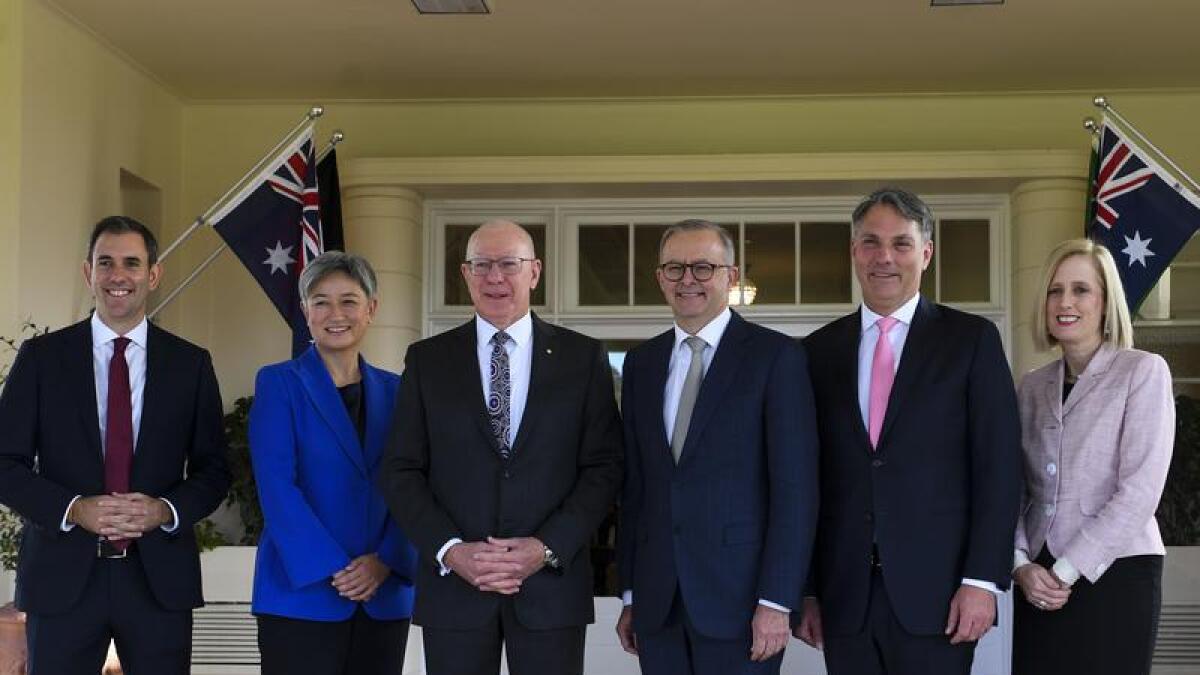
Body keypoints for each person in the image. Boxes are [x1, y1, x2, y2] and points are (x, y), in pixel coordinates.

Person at [379, 219, 623, 675]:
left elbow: (604, 468)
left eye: (508, 264)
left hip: (551, 588)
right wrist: (451, 550)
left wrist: (546, 547)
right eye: (482, 265)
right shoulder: (427, 360)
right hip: (455, 591)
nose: (495, 277)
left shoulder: (583, 358)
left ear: (534, 272)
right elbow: (402, 470)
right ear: (466, 274)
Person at [798, 188, 1022, 674]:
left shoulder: (970, 341)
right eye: (870, 242)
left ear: (926, 252)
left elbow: (999, 470)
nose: (884, 257)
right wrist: (808, 588)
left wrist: (982, 580)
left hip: (940, 597)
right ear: (854, 251)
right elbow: (808, 480)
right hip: (845, 599)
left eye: (901, 243)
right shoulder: (816, 352)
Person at [0, 216, 231, 673]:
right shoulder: (42, 359)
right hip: (62, 580)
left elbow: (214, 470)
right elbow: (5, 463)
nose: (118, 276)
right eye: (105, 263)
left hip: (158, 582)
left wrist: (164, 509)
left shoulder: (190, 364)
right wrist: (74, 509)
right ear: (88, 273)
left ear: (153, 274)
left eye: (131, 263)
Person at [614, 219, 819, 674]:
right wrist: (631, 593)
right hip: (658, 603)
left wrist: (777, 600)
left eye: (704, 267)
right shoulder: (641, 364)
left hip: (743, 604)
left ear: (731, 275)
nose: (688, 279)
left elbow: (796, 491)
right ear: (659, 278)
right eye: (675, 268)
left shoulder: (776, 358)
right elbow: (637, 488)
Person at [249, 251, 416, 675]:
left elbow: (416, 486)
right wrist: (334, 569)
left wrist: (386, 561)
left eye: (349, 300)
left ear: (371, 308)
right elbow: (276, 487)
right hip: (301, 594)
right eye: (321, 301)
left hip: (383, 596)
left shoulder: (401, 392)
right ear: (305, 311)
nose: (334, 313)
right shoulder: (278, 383)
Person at [1011, 238, 1174, 675]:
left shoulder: (1142, 371)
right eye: (1055, 290)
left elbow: (1140, 491)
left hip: (1116, 573)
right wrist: (1020, 564)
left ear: (1105, 303)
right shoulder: (1031, 385)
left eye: (1081, 289)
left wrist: (1067, 570)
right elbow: (1013, 485)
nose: (1065, 302)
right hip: (1037, 581)